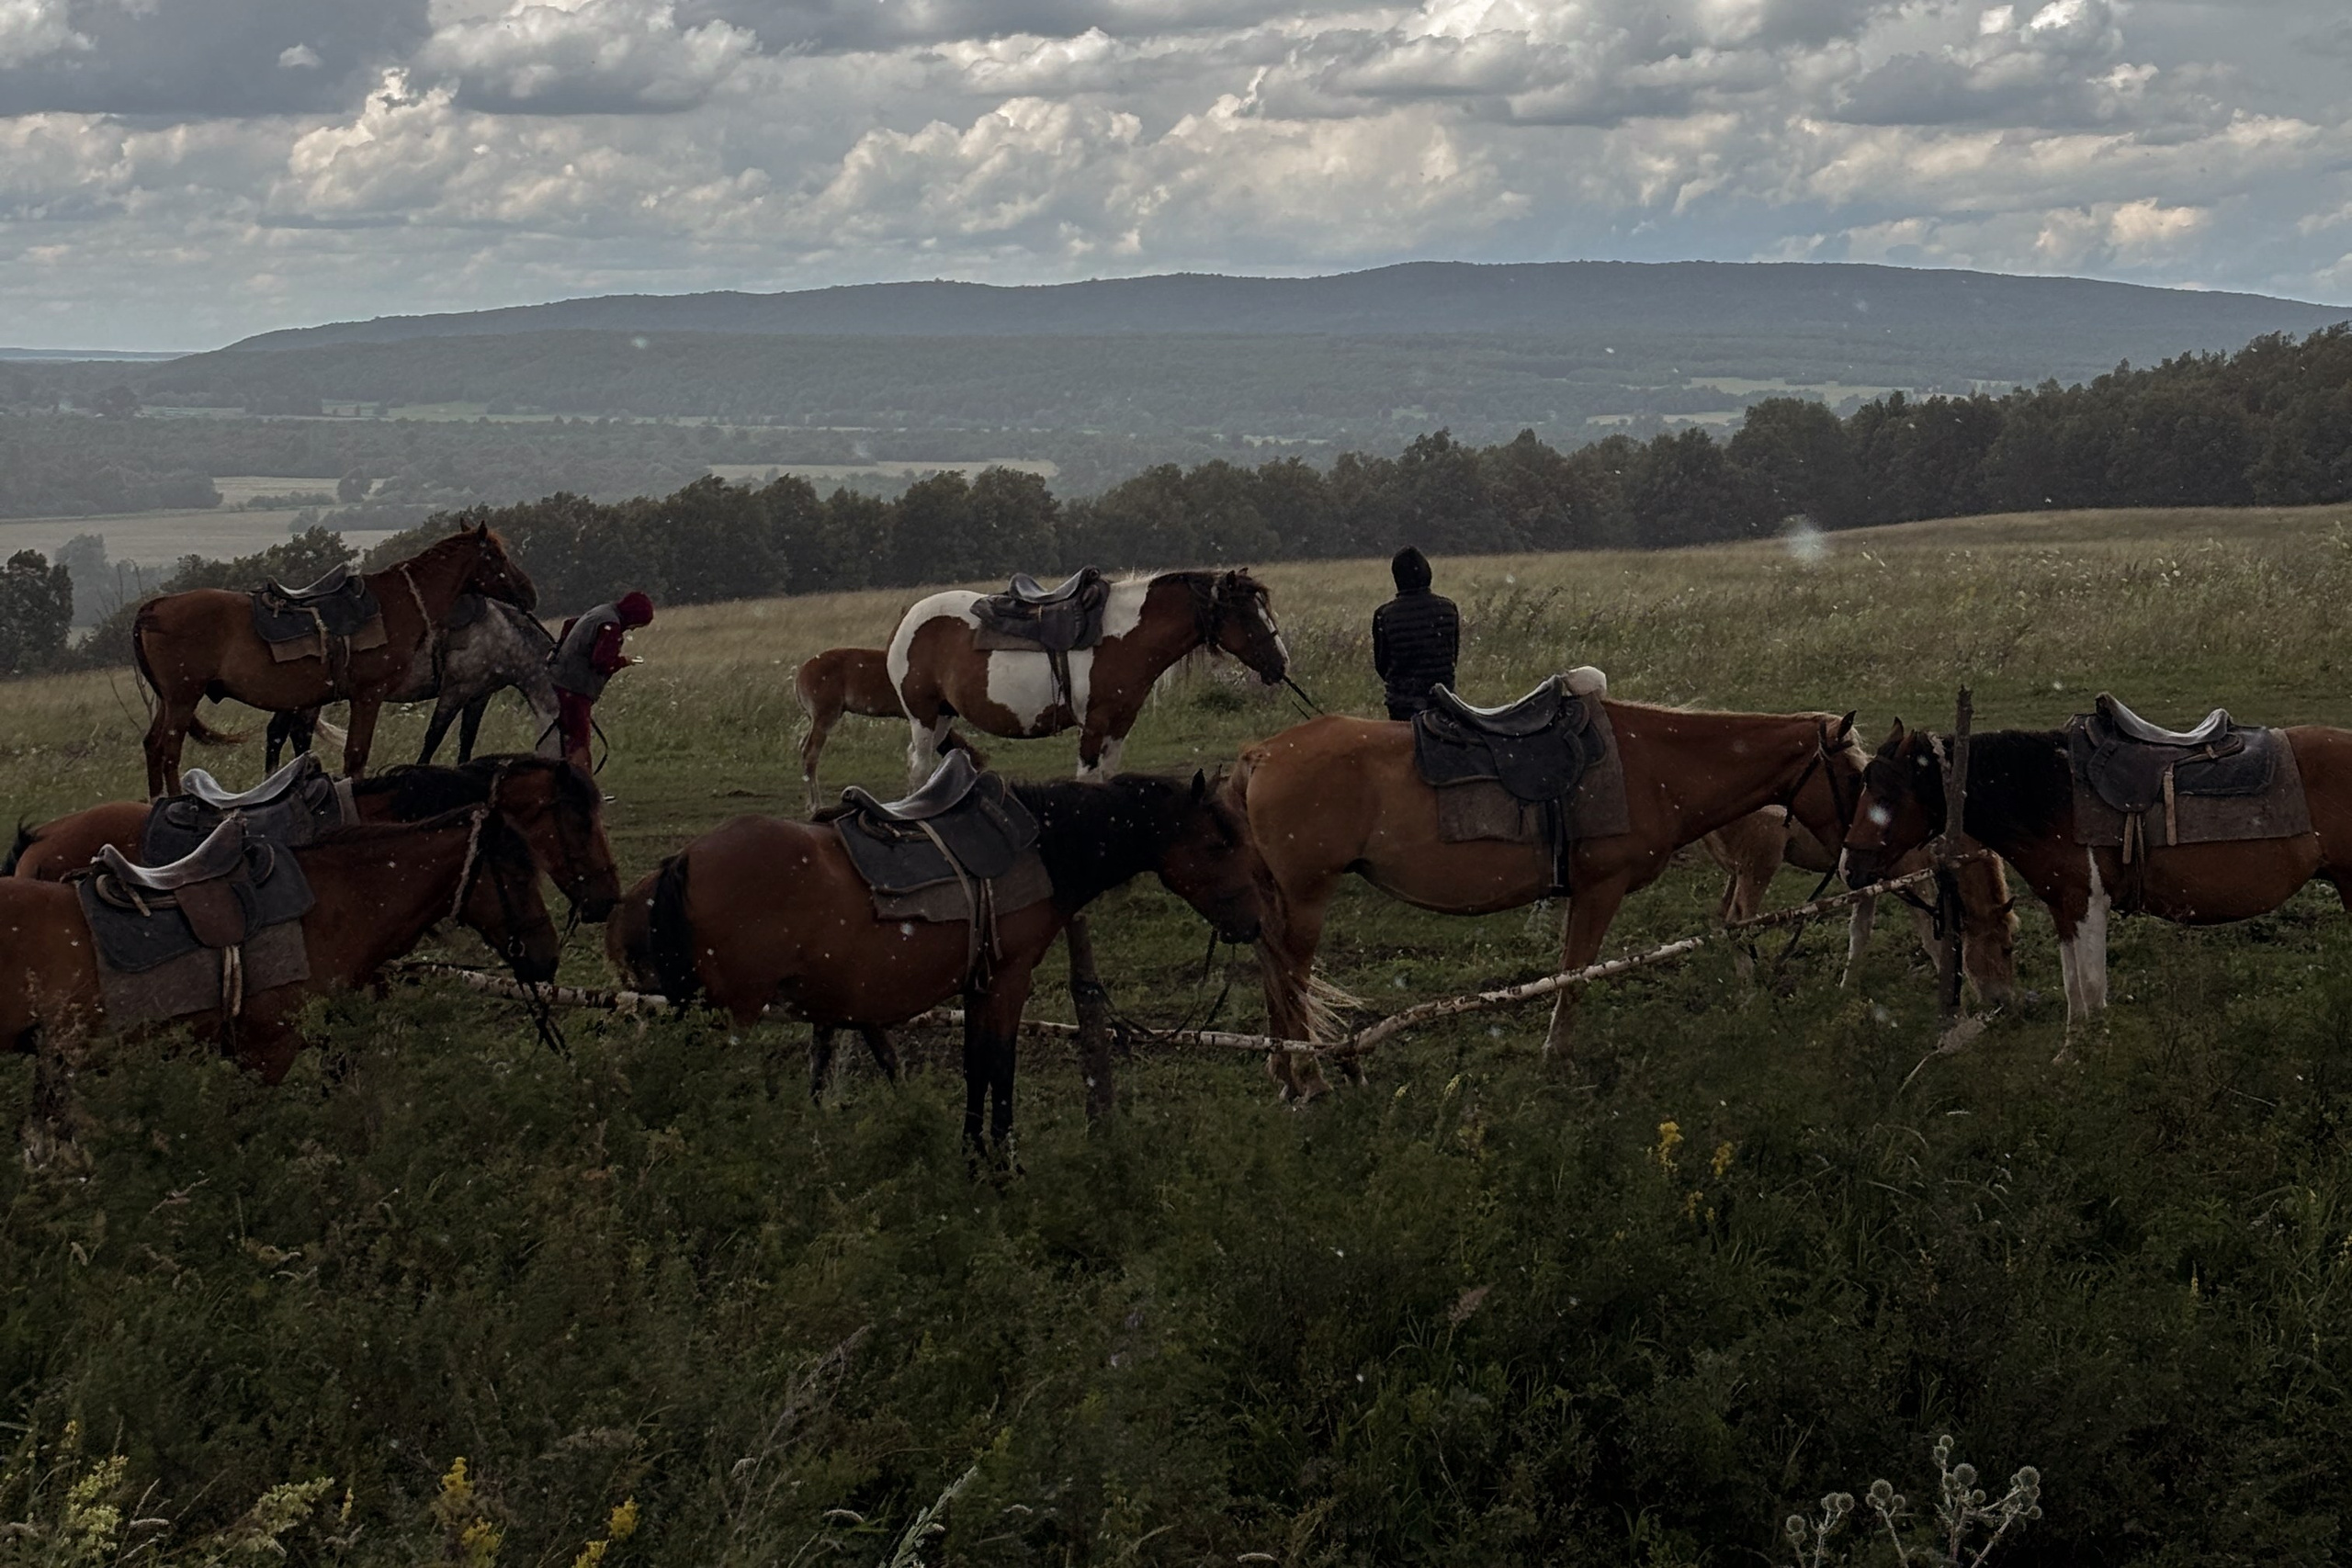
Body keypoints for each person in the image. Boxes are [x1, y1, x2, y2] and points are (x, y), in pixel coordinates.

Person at [550, 590, 654, 772]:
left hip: (562, 681)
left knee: (568, 739)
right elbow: (602, 662)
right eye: (636, 625)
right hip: (576, 688)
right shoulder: (611, 625)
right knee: (579, 742)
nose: (632, 629)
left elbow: (569, 624)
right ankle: (582, 789)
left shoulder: (602, 611)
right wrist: (624, 661)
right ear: (632, 616)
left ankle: (567, 785)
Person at [1371, 546, 1459, 720]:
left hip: (1402, 704)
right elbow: (1453, 656)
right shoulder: (1448, 609)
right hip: (1443, 701)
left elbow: (1382, 664)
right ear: (1428, 573)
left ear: (1397, 577)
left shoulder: (1385, 615)